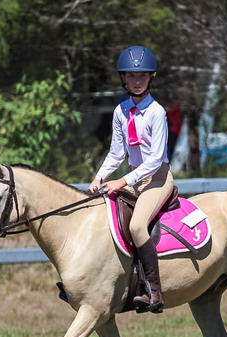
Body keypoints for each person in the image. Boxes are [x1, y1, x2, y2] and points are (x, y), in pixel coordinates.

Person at [88, 45, 174, 314]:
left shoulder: (157, 113)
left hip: (157, 178)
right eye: (131, 76)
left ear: (151, 78)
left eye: (143, 76)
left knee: (137, 226)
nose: (137, 81)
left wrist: (122, 182)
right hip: (134, 178)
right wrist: (99, 176)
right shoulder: (120, 112)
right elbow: (116, 153)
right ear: (123, 79)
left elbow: (155, 159)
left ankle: (154, 292)